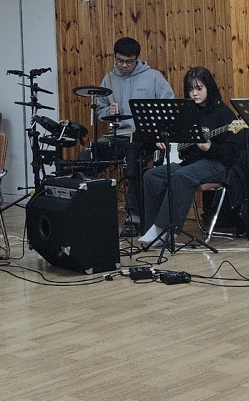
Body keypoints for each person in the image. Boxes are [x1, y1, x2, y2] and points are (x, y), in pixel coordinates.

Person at [137, 67, 241, 248]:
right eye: (190, 89)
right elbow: (177, 138)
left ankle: (165, 231)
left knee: (181, 176)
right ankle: (151, 229)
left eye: (199, 88)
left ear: (209, 87)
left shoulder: (224, 114)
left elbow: (232, 153)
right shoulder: (187, 112)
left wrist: (210, 148)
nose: (194, 93)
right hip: (190, 163)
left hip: (216, 165)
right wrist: (163, 140)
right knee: (151, 176)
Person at [92, 37, 175, 237]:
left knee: (134, 160)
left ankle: (134, 217)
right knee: (89, 156)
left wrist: (156, 128)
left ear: (137, 59)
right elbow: (98, 109)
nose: (124, 66)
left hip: (144, 138)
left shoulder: (153, 77)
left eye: (129, 62)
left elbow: (169, 106)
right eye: (120, 61)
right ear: (115, 57)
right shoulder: (108, 79)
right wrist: (107, 112)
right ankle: (88, 212)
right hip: (117, 135)